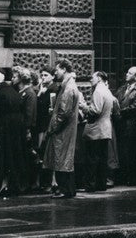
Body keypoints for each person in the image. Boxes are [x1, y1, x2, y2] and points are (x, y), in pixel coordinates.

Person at [44, 59, 81, 199]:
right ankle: (67, 189)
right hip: (66, 129)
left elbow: (64, 112)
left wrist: (54, 126)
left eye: (58, 70)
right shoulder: (68, 85)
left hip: (63, 130)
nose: (55, 73)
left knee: (61, 159)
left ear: (64, 69)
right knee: (64, 159)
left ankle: (65, 189)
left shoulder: (68, 87)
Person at [0, 69, 27, 198]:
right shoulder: (14, 91)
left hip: (4, 129)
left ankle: (3, 186)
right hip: (17, 129)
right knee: (15, 156)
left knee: (4, 157)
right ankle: (15, 185)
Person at [82, 71, 116, 192]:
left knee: (92, 159)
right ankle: (101, 184)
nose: (90, 80)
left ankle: (90, 185)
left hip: (96, 129)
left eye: (92, 77)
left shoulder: (98, 91)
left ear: (99, 78)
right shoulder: (107, 90)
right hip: (105, 129)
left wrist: (83, 107)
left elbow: (95, 111)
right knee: (102, 158)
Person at [115, 66, 136, 187]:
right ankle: (123, 176)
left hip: (131, 125)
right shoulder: (122, 88)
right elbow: (115, 100)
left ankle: (132, 177)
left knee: (130, 152)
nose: (127, 74)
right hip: (121, 124)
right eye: (127, 72)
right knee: (122, 151)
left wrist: (120, 112)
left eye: (130, 73)